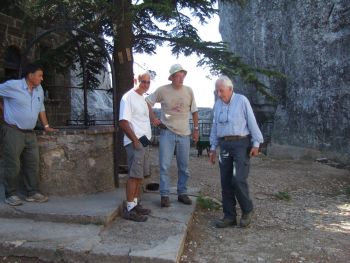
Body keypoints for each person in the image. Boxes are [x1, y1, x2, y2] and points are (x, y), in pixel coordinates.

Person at [209, 75, 263, 228]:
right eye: (217, 91)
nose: (219, 94)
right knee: (225, 182)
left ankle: (247, 210)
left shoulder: (241, 101)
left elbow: (252, 121)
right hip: (224, 144)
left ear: (230, 89)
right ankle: (229, 216)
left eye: (221, 91)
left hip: (241, 143)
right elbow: (215, 127)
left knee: (238, 179)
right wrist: (212, 148)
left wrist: (256, 143)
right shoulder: (218, 104)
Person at [0, 63, 55, 206]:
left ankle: (32, 192)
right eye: (40, 75)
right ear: (30, 75)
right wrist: (2, 108)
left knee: (32, 163)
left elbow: (41, 107)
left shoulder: (39, 89)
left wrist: (46, 126)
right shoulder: (13, 86)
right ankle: (10, 194)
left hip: (30, 132)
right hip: (13, 131)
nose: (42, 79)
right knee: (13, 164)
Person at [146, 64, 199, 207]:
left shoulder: (189, 91)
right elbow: (147, 102)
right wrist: (153, 119)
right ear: (172, 77)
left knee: (184, 167)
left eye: (183, 75)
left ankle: (182, 193)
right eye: (178, 76)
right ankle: (164, 195)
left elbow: (194, 111)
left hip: (184, 134)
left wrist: (196, 129)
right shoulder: (163, 90)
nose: (181, 78)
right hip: (167, 132)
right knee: (164, 165)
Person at [119, 71, 153, 222]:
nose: (145, 84)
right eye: (143, 81)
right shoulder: (128, 97)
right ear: (135, 80)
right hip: (135, 142)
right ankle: (129, 209)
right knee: (134, 176)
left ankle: (135, 203)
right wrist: (135, 141)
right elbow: (123, 122)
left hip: (143, 142)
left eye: (148, 82)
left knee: (140, 176)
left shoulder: (142, 98)